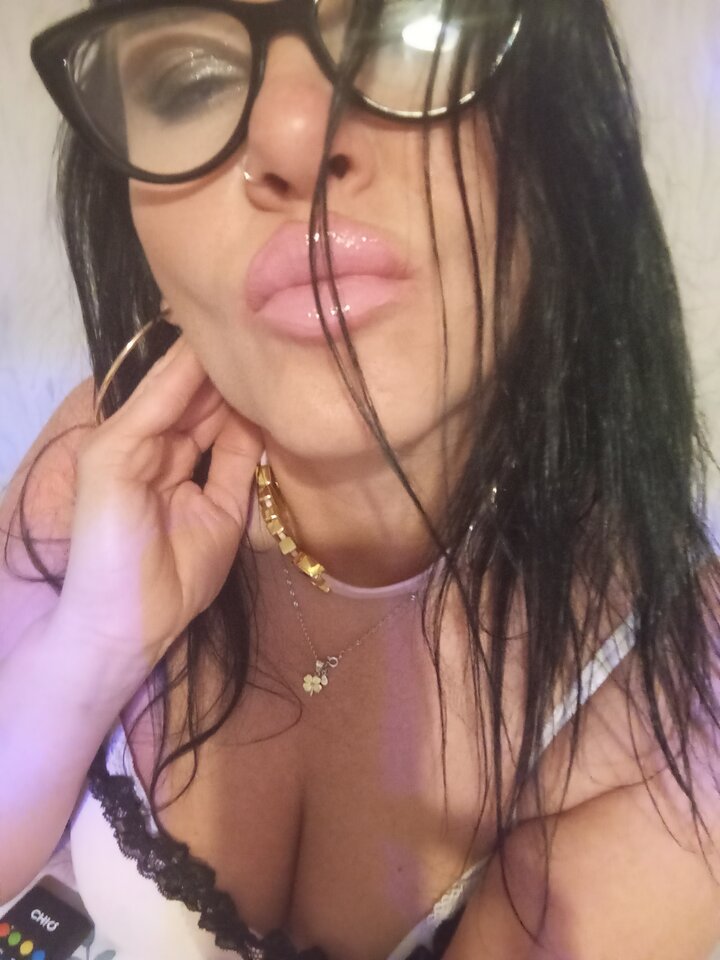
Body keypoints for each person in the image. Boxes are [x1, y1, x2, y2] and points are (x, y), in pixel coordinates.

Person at [1, 0, 719, 958]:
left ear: (566, 146)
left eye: (412, 30)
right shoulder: (101, 459)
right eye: (190, 79)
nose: (293, 134)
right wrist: (89, 651)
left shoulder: (673, 715)